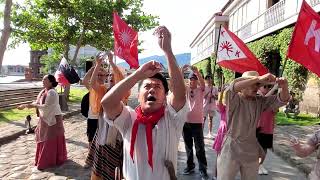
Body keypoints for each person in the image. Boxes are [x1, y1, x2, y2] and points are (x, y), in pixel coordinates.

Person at [101, 26, 188, 180]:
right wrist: (138, 75)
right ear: (139, 95)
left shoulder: (172, 118)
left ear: (166, 96)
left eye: (157, 87)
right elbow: (107, 103)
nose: (151, 90)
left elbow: (180, 95)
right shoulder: (128, 118)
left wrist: (167, 50)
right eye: (147, 86)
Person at [217, 71, 290, 180]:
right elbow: (232, 88)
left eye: (257, 85)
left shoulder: (259, 101)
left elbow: (282, 100)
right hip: (232, 147)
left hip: (251, 148)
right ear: (243, 86)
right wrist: (258, 79)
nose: (256, 87)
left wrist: (284, 86)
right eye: (252, 84)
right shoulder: (234, 98)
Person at [85, 52, 130, 180]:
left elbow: (122, 80)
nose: (111, 76)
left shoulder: (123, 94)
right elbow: (92, 83)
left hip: (117, 139)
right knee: (100, 169)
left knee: (114, 170)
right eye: (109, 74)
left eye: (114, 75)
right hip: (102, 136)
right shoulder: (103, 90)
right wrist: (98, 65)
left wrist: (112, 63)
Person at [17, 75, 67, 170]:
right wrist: (26, 105)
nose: (43, 80)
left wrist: (29, 106)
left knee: (49, 139)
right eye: (43, 79)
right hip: (44, 118)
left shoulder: (52, 92)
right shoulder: (43, 91)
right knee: (43, 138)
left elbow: (46, 106)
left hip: (53, 119)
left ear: (51, 82)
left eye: (45, 79)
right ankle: (44, 159)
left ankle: (50, 160)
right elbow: (38, 103)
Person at [181, 65, 209, 179]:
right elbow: (177, 83)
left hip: (197, 122)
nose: (192, 80)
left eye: (194, 79)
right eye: (190, 79)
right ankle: (190, 166)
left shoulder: (201, 89)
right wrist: (181, 71)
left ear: (197, 80)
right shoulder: (186, 89)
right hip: (185, 122)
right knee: (188, 146)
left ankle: (203, 169)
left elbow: (203, 83)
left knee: (199, 147)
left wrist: (197, 72)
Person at [256, 84, 278, 175]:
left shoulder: (271, 99)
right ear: (259, 88)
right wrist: (274, 89)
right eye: (264, 86)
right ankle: (256, 165)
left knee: (265, 148)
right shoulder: (257, 95)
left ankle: (260, 164)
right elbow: (263, 99)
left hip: (268, 128)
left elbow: (275, 111)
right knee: (258, 148)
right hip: (258, 127)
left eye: (269, 87)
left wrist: (279, 89)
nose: (267, 88)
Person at [212, 85, 227, 180]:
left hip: (231, 135)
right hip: (222, 133)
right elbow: (219, 103)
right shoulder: (224, 108)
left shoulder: (236, 108)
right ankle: (216, 175)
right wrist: (221, 93)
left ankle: (224, 175)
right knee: (219, 156)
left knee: (227, 158)